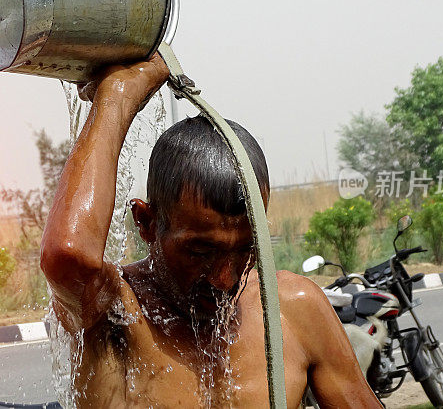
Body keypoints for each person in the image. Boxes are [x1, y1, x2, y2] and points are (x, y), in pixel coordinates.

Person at [40, 54, 382, 408]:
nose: (224, 279)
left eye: (247, 251)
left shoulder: (293, 309)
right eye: (200, 252)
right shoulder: (115, 313)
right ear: (146, 223)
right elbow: (68, 255)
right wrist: (118, 94)